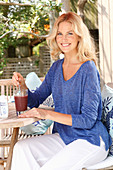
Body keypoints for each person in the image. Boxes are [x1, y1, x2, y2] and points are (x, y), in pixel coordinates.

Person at [11, 12, 112, 170]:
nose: (64, 39)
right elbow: (36, 99)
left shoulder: (88, 69)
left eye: (70, 33)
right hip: (65, 137)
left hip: (90, 140)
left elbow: (88, 120)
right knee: (21, 149)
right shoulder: (56, 68)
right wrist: (23, 86)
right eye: (60, 34)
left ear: (79, 36)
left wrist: (46, 114)